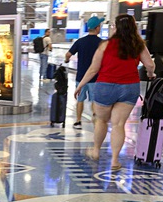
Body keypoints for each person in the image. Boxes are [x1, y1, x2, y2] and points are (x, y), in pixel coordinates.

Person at [74, 14, 155, 172]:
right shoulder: (139, 45)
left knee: (101, 121)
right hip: (129, 87)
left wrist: (81, 85)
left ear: (116, 27)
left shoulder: (105, 45)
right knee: (119, 124)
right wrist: (151, 75)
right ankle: (115, 160)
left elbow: (93, 69)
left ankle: (96, 151)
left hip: (105, 87)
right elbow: (150, 65)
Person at [65, 16, 104, 129]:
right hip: (95, 78)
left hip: (81, 77)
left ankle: (78, 121)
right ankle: (96, 122)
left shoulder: (80, 41)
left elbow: (68, 54)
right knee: (94, 101)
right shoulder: (101, 43)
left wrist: (67, 60)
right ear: (97, 28)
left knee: (80, 100)